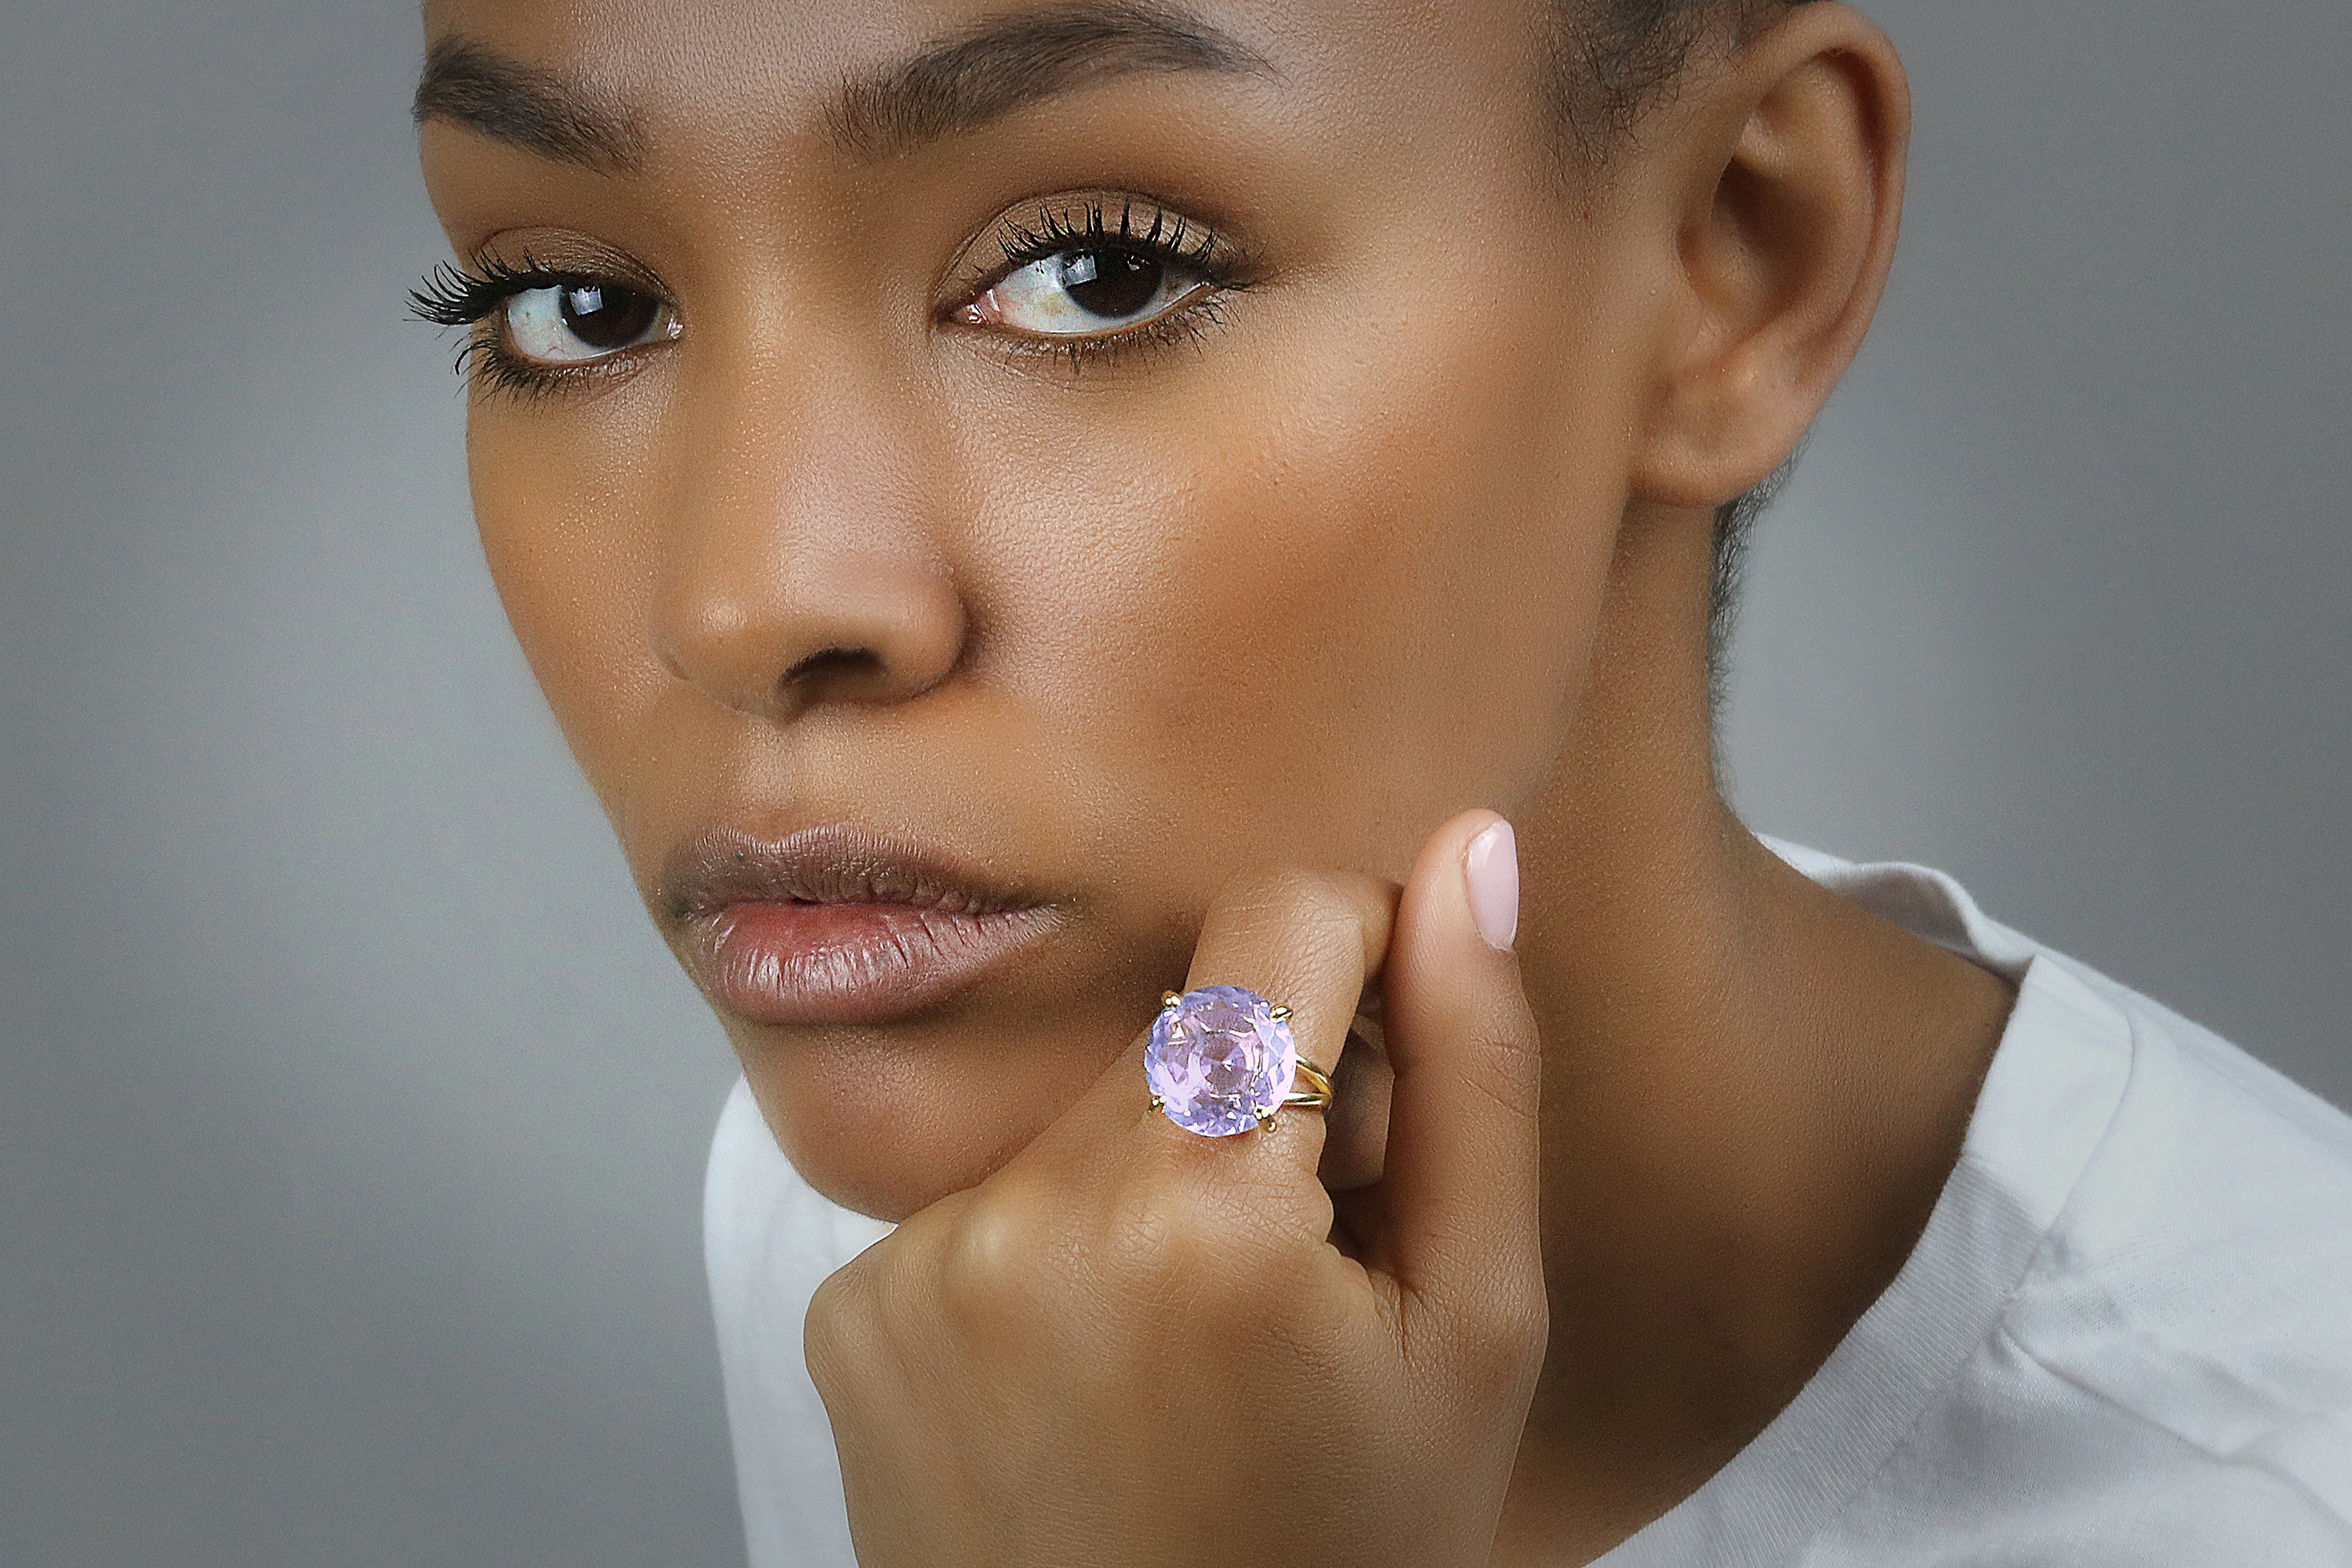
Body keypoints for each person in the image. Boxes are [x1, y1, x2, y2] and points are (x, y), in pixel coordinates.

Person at [408, 0, 2352, 1562]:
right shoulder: (888, 1251)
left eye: (1093, 271)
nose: (743, 600)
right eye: (579, 307)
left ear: (1737, 257)